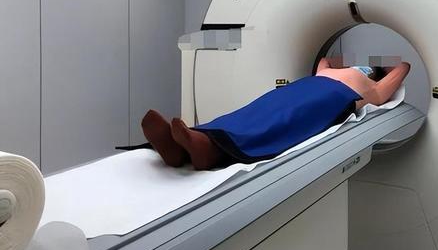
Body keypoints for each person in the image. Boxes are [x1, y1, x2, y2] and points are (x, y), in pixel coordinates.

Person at [141, 58, 410, 171]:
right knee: (254, 112)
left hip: (330, 99)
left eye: (368, 68)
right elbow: (324, 61)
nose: (361, 67)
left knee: (281, 120)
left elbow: (403, 69)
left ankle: (206, 150)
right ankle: (186, 144)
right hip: (303, 88)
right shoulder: (327, 71)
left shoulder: (373, 89)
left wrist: (387, 67)